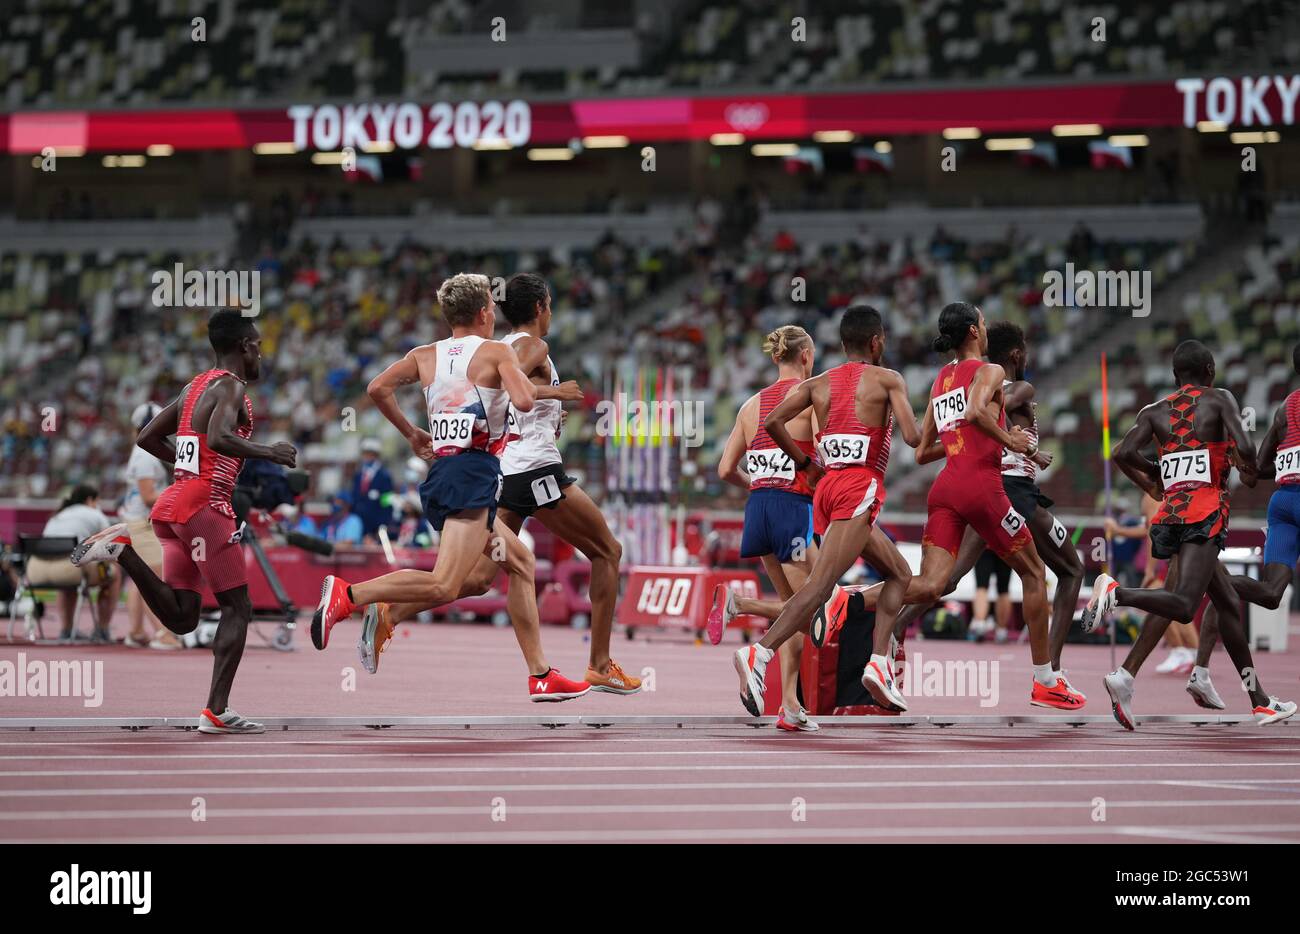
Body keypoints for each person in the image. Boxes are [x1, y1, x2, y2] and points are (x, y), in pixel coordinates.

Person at [352, 273, 640, 695]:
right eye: (551, 305)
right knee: (607, 551)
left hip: (504, 475)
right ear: (541, 307)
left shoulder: (494, 347)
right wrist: (554, 393)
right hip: (535, 473)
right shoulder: (529, 344)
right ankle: (599, 665)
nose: (553, 312)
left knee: (477, 578)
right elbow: (510, 390)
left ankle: (390, 614)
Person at [72, 310, 299, 734]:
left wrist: (190, 464)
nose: (262, 357)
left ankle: (124, 552)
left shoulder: (195, 386)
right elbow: (216, 437)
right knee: (238, 607)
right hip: (206, 508)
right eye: (260, 348)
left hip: (172, 505)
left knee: (183, 619)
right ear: (245, 347)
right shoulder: (231, 386)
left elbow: (146, 437)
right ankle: (216, 711)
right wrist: (271, 452)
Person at [866, 303, 1084, 709]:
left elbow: (920, 452)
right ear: (971, 331)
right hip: (983, 487)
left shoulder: (939, 380)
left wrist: (960, 441)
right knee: (1035, 574)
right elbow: (975, 410)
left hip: (945, 488)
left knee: (932, 584)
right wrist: (1011, 440)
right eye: (982, 323)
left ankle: (848, 600)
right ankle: (1045, 679)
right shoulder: (991, 371)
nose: (985, 329)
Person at [1087, 339, 1295, 728]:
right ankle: (1116, 593)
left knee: (1227, 602)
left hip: (1171, 515)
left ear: (1174, 375)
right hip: (1205, 514)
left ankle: (1252, 697)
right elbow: (1249, 450)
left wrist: (1154, 480)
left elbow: (1121, 453)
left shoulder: (1154, 411)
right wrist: (1237, 459)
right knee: (1183, 604)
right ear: (1211, 370)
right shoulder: (1219, 400)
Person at [731, 305, 921, 715]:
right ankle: (759, 654)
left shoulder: (820, 383)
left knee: (900, 574)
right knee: (818, 588)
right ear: (876, 341)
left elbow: (774, 423)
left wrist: (807, 465)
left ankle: (879, 664)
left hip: (825, 489)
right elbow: (913, 437)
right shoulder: (889, 379)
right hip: (857, 486)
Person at [715, 324, 822, 730]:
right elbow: (823, 457)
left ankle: (791, 706)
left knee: (794, 610)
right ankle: (742, 614)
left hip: (758, 508)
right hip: (792, 508)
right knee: (814, 603)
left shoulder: (749, 406)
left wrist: (757, 484)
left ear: (776, 357)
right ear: (807, 356)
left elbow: (725, 469)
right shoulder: (811, 397)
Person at [1188, 341, 1300, 706]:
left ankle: (1214, 586)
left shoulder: (1286, 409)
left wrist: (1240, 463)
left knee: (1270, 594)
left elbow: (1256, 472)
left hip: (1282, 503)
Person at [1105, 494, 1199, 675]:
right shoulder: (1165, 492)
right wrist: (1119, 530)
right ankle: (1195, 656)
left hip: (1163, 558)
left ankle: (1180, 651)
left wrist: (1150, 569)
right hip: (1177, 553)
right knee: (1179, 604)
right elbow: (1148, 527)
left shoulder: (1151, 495)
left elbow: (1153, 531)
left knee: (1160, 604)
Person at [120, 402, 182, 650]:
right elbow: (148, 495)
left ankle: (136, 631)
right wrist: (179, 491)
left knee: (139, 582)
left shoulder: (139, 451)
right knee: (155, 581)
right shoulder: (146, 455)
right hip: (143, 525)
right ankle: (161, 633)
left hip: (136, 521)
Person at [29, 484, 121, 643]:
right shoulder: (94, 513)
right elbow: (112, 545)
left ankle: (66, 630)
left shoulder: (57, 515)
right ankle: (103, 629)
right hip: (69, 570)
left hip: (36, 571)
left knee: (67, 581)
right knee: (114, 573)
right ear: (89, 500)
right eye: (96, 501)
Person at [350, 439, 394, 539]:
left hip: (375, 526)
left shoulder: (384, 476)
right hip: (359, 523)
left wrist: (383, 525)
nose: (366, 456)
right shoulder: (359, 474)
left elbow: (387, 502)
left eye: (370, 453)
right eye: (365, 453)